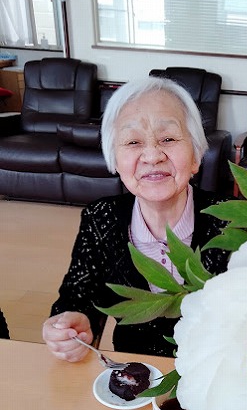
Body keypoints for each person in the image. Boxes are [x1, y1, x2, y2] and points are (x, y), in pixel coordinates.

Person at [43, 76, 229, 361]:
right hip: (134, 375)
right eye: (133, 142)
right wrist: (71, 326)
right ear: (115, 161)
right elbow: (77, 298)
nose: (152, 156)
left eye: (168, 139)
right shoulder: (100, 219)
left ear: (196, 155)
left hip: (218, 373)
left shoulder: (233, 221)